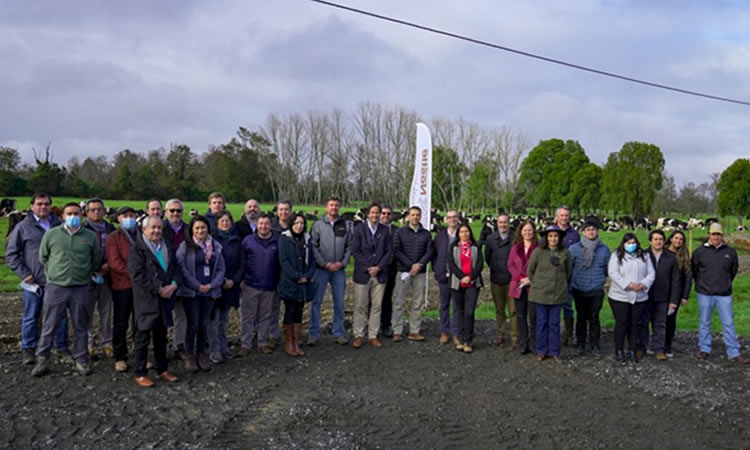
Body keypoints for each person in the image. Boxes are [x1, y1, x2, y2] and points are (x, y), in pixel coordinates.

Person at [31, 202, 100, 377]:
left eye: (76, 213)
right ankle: (42, 359)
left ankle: (81, 359)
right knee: (49, 325)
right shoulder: (52, 235)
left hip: (80, 288)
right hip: (56, 287)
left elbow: (95, 260)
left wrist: (83, 274)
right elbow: (43, 257)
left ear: (82, 215)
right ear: (62, 215)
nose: (73, 216)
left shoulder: (90, 237)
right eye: (69, 213)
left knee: (81, 325)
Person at [6, 193, 69, 365]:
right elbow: (11, 254)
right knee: (31, 316)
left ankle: (61, 347)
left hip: (57, 280)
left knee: (60, 316)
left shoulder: (59, 225)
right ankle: (28, 349)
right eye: (39, 204)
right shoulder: (23, 227)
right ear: (32, 206)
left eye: (47, 204)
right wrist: (24, 274)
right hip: (33, 281)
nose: (43, 207)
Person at [127, 215, 179, 387]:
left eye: (159, 228)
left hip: (165, 298)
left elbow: (176, 269)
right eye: (153, 228)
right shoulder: (137, 249)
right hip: (147, 299)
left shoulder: (167, 247)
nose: (157, 231)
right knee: (142, 337)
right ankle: (140, 372)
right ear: (144, 229)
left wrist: (173, 285)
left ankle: (162, 369)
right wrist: (158, 289)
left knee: (161, 336)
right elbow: (138, 276)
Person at [175, 216, 226, 372]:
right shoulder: (185, 247)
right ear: (192, 230)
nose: (200, 231)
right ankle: (190, 355)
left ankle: (201, 354)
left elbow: (221, 269)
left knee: (204, 325)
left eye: (203, 227)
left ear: (208, 229)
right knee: (193, 324)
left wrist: (212, 285)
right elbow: (182, 269)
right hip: (192, 293)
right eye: (197, 228)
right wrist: (197, 286)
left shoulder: (216, 247)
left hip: (209, 292)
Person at [692, 223, 748, 363]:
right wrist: (702, 284)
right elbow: (695, 271)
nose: (716, 237)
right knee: (704, 322)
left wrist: (725, 283)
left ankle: (733, 352)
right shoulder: (699, 252)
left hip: (724, 294)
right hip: (704, 293)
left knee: (728, 323)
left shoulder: (730, 252)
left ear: (722, 235)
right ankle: (704, 349)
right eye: (713, 234)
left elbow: (733, 271)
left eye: (718, 234)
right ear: (709, 235)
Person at [308, 196, 353, 346]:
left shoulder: (345, 225)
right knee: (316, 302)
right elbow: (313, 246)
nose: (334, 208)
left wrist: (342, 263)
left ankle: (338, 333)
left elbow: (349, 246)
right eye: (331, 205)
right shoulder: (318, 225)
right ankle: (313, 333)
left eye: (336, 205)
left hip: (339, 270)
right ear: (326, 207)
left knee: (339, 302)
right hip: (321, 270)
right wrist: (324, 264)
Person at [607, 233, 655, 363]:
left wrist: (643, 284)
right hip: (620, 296)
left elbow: (651, 273)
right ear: (623, 244)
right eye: (628, 243)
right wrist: (628, 285)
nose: (631, 245)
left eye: (633, 243)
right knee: (622, 323)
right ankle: (619, 350)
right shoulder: (616, 255)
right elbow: (613, 273)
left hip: (640, 296)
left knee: (635, 324)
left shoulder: (645, 256)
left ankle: (632, 350)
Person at [351, 203, 392, 349]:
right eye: (372, 213)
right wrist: (369, 267)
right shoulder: (358, 230)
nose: (375, 215)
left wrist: (379, 267)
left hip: (380, 274)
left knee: (377, 306)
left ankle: (373, 335)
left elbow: (388, 252)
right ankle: (358, 335)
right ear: (368, 214)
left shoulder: (385, 231)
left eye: (377, 213)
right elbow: (355, 251)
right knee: (360, 306)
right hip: (363, 273)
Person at [528, 225, 571, 363]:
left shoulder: (565, 253)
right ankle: (541, 350)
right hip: (541, 294)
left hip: (557, 294)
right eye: (550, 236)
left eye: (556, 236)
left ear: (560, 238)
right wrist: (539, 284)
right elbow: (531, 271)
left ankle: (554, 351)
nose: (553, 239)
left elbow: (568, 272)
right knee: (541, 322)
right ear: (546, 238)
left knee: (555, 323)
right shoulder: (538, 252)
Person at [238, 214, 281, 355]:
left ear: (270, 225)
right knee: (248, 316)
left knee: (266, 316)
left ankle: (262, 342)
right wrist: (242, 280)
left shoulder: (277, 241)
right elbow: (241, 261)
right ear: (256, 225)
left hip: (269, 285)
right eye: (261, 224)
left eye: (266, 224)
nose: (263, 226)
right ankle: (246, 344)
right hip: (251, 285)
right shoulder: (248, 241)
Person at [391, 206, 434, 342]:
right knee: (399, 302)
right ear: (408, 216)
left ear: (420, 217)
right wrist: (411, 265)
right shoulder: (400, 232)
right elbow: (396, 250)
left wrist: (419, 265)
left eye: (417, 215)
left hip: (420, 272)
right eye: (413, 215)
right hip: (403, 271)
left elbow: (429, 252)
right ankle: (397, 330)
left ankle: (414, 331)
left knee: (417, 302)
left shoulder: (426, 234)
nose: (415, 217)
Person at [568, 219, 610, 355]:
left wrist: (603, 283)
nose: (591, 232)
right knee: (581, 317)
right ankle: (581, 344)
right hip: (579, 288)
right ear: (583, 232)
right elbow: (569, 268)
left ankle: (594, 344)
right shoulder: (574, 249)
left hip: (596, 289)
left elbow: (607, 269)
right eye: (588, 229)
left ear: (597, 231)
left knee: (594, 317)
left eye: (593, 229)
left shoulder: (604, 249)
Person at [105, 206, 140, 372]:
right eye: (125, 216)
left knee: (140, 322)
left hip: (141, 288)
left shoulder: (142, 233)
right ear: (118, 218)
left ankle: (141, 355)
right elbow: (114, 262)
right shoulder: (114, 237)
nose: (128, 218)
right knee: (121, 322)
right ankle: (120, 356)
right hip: (122, 285)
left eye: (131, 215)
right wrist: (134, 274)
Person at [638, 230, 680, 361]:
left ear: (664, 241)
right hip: (645, 296)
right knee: (643, 323)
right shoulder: (642, 256)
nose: (658, 242)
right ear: (650, 241)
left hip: (663, 297)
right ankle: (641, 347)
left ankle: (658, 349)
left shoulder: (671, 257)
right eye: (655, 239)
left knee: (660, 324)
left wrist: (673, 300)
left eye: (660, 239)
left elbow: (676, 280)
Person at [278, 213, 317, 356]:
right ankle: (289, 343)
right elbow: (284, 262)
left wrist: (307, 276)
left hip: (304, 283)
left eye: (301, 223)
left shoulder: (307, 239)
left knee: (299, 312)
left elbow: (312, 261)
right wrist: (297, 276)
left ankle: (296, 341)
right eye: (296, 223)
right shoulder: (284, 239)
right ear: (291, 224)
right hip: (290, 282)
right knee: (290, 311)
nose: (299, 226)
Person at [209, 210, 244, 364]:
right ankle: (214, 351)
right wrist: (221, 281)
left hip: (231, 286)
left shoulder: (236, 240)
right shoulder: (211, 241)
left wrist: (234, 280)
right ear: (217, 223)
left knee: (224, 320)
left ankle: (224, 348)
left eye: (228, 220)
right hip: (216, 286)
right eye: (222, 221)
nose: (225, 223)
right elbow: (209, 263)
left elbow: (242, 263)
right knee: (213, 321)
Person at [82, 198, 115, 359]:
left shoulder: (110, 228)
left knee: (106, 312)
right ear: (87, 212)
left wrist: (109, 266)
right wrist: (92, 271)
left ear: (104, 211)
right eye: (93, 209)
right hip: (88, 277)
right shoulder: (82, 228)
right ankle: (88, 344)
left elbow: (116, 250)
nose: (96, 212)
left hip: (108, 276)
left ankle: (107, 343)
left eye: (99, 209)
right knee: (86, 312)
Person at [447, 223, 484, 353]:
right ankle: (461, 339)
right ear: (458, 234)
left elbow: (480, 264)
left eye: (466, 231)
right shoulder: (454, 247)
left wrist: (470, 277)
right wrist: (462, 276)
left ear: (470, 233)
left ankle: (468, 340)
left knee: (469, 312)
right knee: (460, 311)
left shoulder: (476, 247)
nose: (464, 234)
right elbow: (451, 264)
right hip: (457, 283)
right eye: (461, 232)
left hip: (473, 284)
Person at [507, 220, 539, 355]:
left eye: (530, 230)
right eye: (525, 230)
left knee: (533, 316)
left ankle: (534, 344)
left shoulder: (539, 248)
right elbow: (510, 265)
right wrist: (521, 278)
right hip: (519, 285)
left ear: (534, 232)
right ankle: (523, 343)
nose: (527, 233)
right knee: (520, 315)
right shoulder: (515, 248)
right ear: (520, 232)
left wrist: (530, 279)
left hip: (534, 286)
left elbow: (541, 267)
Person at [162, 198, 188, 360]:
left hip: (184, 277)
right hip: (164, 278)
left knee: (182, 315)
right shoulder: (160, 228)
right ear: (166, 212)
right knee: (161, 316)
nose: (175, 214)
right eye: (172, 210)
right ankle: (160, 348)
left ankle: (179, 345)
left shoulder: (188, 229)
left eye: (178, 211)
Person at [485, 213, 516, 348]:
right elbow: (487, 257)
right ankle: (500, 334)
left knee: (513, 310)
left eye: (505, 222)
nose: (503, 225)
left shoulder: (515, 237)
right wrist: (496, 268)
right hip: (497, 278)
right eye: (500, 222)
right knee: (499, 309)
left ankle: (515, 336)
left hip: (512, 279)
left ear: (509, 223)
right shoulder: (491, 238)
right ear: (497, 224)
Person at [432, 209, 459, 344]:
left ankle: (455, 332)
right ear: (446, 220)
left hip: (458, 277)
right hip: (443, 275)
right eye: (449, 217)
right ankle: (444, 331)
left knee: (457, 305)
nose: (452, 220)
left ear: (458, 219)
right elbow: (434, 254)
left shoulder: (463, 234)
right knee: (444, 304)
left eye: (454, 217)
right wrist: (437, 270)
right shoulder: (440, 236)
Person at [555, 206, 579, 347]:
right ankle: (553, 335)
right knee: (553, 307)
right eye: (562, 215)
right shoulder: (550, 231)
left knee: (568, 306)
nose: (564, 218)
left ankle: (569, 334)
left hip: (569, 276)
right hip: (552, 277)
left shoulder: (574, 234)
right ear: (557, 216)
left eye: (566, 216)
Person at [664, 230, 691, 357]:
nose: (678, 241)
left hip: (675, 293)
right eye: (676, 238)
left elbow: (688, 277)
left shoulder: (683, 256)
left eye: (681, 239)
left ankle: (668, 346)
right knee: (657, 320)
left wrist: (685, 295)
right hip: (660, 292)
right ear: (670, 239)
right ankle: (657, 343)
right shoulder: (662, 252)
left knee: (670, 320)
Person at [378, 204, 398, 338]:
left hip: (391, 269)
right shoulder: (373, 228)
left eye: (388, 214)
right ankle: (373, 326)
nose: (386, 216)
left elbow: (400, 247)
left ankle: (386, 325)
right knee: (372, 299)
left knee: (387, 298)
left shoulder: (397, 230)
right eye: (383, 213)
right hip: (375, 268)